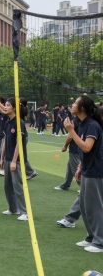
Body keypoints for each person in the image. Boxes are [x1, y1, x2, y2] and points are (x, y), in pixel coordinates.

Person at [63, 95, 103, 253]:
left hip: (95, 171)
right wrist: (80, 166)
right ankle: (91, 237)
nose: (72, 105)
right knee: (85, 206)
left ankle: (100, 242)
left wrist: (71, 131)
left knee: (95, 207)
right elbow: (86, 152)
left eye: (75, 103)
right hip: (87, 168)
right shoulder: (82, 123)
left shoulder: (92, 125)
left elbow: (87, 147)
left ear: (82, 108)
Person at [0, 98, 28, 221]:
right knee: (7, 186)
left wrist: (13, 161)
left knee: (17, 186)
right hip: (8, 158)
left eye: (8, 105)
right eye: (5, 105)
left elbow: (19, 143)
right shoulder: (8, 122)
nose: (5, 107)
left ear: (15, 108)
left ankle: (25, 212)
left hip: (16, 159)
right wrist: (2, 158)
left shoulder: (19, 123)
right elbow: (6, 141)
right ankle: (13, 209)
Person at [55, 115, 81, 191]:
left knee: (76, 168)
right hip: (79, 147)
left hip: (75, 148)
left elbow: (70, 136)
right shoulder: (83, 120)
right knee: (70, 166)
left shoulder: (75, 121)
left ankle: (83, 186)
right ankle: (65, 185)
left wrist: (65, 146)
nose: (72, 106)